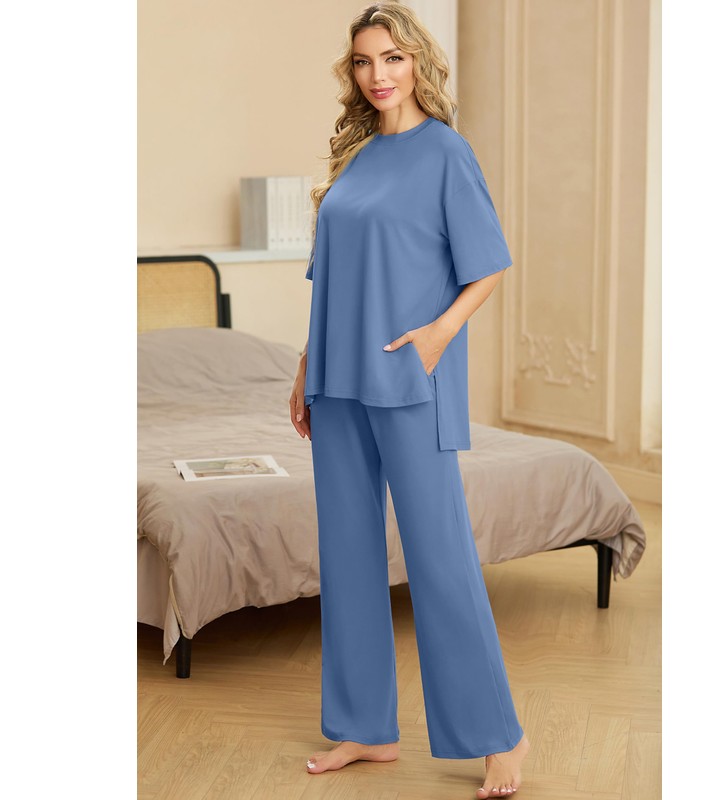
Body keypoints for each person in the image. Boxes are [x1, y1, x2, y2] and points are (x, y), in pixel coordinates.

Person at [289, 3, 529, 797]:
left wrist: (438, 336)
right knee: (347, 554)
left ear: (418, 61)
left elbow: (487, 265)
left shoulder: (446, 153)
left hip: (408, 378)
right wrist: (305, 366)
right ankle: (366, 727)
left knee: (439, 555)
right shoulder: (355, 157)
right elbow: (330, 277)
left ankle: (499, 736)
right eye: (364, 61)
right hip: (337, 381)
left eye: (392, 57)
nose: (378, 74)